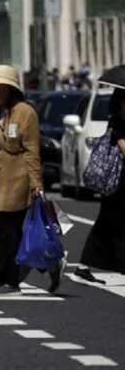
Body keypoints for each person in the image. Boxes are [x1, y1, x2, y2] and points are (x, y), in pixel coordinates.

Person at [0, 65, 61, 293]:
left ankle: (9, 279)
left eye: (0, 87)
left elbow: (31, 153)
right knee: (9, 233)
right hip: (1, 185)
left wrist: (37, 185)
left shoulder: (25, 113)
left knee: (9, 234)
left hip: (20, 184)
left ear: (11, 88)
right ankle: (47, 264)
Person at [75, 88, 125, 285]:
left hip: (118, 182)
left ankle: (83, 265)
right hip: (117, 182)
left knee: (106, 224)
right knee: (116, 223)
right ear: (121, 103)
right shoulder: (118, 123)